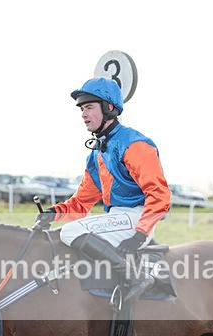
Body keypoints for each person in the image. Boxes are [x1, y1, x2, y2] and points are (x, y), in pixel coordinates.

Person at [35, 77, 171, 303]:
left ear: (109, 108)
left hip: (137, 220)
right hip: (118, 218)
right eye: (81, 109)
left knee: (69, 232)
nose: (83, 114)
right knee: (66, 232)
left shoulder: (135, 144)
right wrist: (53, 213)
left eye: (89, 107)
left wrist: (141, 233)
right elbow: (81, 204)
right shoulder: (97, 153)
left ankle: (135, 277)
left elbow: (160, 195)